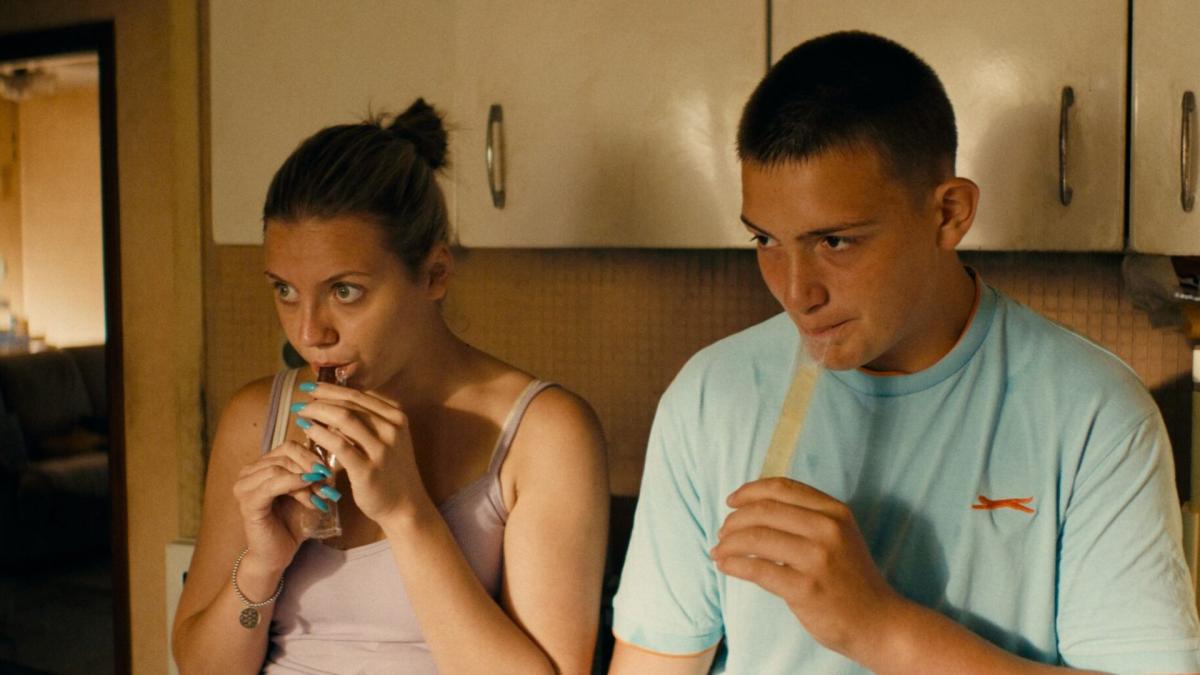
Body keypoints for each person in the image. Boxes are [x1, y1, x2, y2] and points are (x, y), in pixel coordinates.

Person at [609, 31, 1200, 674]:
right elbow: (655, 664)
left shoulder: (1093, 411)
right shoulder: (712, 394)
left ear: (949, 214)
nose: (796, 292)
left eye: (834, 241)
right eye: (765, 240)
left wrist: (876, 626)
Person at [172, 99, 609, 674]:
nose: (310, 332)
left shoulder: (545, 433)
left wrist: (409, 515)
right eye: (284, 290)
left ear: (435, 274)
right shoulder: (256, 416)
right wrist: (261, 566)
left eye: (345, 291)